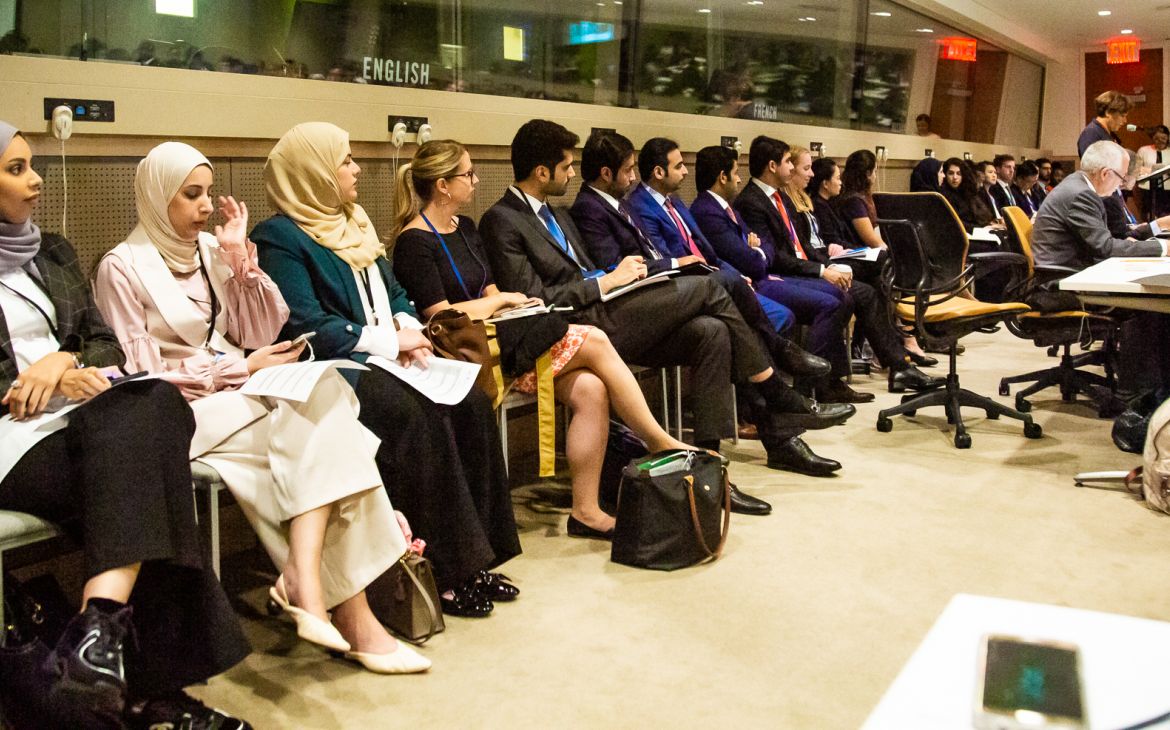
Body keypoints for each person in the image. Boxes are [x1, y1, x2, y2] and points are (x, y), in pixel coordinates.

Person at [93, 142, 429, 674]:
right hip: (183, 409)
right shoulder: (122, 266)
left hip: (240, 393)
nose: (205, 207)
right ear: (157, 198)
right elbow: (145, 380)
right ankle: (349, 612)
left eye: (208, 194)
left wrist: (238, 266)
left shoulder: (208, 250)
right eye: (191, 195)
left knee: (324, 395)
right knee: (330, 430)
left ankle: (306, 578)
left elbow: (258, 332)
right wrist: (241, 371)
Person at [0, 122, 252, 728]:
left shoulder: (52, 249)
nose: (35, 179)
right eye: (14, 169)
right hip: (11, 435)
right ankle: (146, 687)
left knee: (156, 404)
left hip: (82, 419)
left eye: (32, 164)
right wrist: (35, 379)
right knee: (151, 477)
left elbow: (102, 342)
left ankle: (97, 647)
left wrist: (64, 361)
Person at [480, 119, 852, 483]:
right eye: (566, 166)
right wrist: (606, 282)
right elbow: (534, 301)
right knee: (713, 285)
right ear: (542, 172)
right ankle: (775, 388)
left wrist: (623, 277)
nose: (573, 173)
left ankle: (711, 465)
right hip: (578, 326)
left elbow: (587, 270)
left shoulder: (557, 214)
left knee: (711, 331)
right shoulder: (502, 220)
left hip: (612, 306)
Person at [251, 122, 521, 617]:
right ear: (314, 172)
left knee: (471, 400)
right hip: (333, 368)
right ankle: (441, 570)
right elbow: (305, 323)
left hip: (386, 355)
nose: (356, 169)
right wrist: (388, 340)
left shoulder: (352, 220)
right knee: (414, 417)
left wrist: (407, 329)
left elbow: (394, 290)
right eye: (346, 160)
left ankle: (480, 555)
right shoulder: (279, 237)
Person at [391, 139, 696, 537]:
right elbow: (441, 317)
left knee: (590, 388)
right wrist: (501, 301)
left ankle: (585, 511)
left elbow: (488, 289)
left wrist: (508, 302)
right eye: (468, 174)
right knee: (595, 339)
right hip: (465, 353)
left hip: (504, 331)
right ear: (443, 185)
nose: (476, 180)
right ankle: (659, 441)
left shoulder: (464, 227)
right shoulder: (414, 242)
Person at [729, 136, 877, 404]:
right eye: (788, 162)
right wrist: (821, 271)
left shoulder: (780, 198)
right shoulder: (752, 202)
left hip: (796, 267)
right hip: (775, 275)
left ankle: (829, 382)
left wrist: (824, 267)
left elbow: (799, 245)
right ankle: (806, 387)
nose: (793, 168)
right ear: (772, 166)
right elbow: (774, 258)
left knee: (846, 295)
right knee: (834, 300)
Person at [782, 146, 942, 393]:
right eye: (804, 168)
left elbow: (815, 242)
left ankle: (899, 355)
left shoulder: (803, 200)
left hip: (824, 260)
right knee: (874, 279)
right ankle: (901, 351)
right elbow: (799, 248)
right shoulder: (789, 202)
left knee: (878, 280)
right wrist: (825, 264)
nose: (809, 174)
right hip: (809, 269)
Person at [1031, 140, 1170, 396]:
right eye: (1120, 177)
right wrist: (1163, 249)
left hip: (1068, 275)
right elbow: (1105, 247)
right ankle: (1138, 393)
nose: (1121, 184)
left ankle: (1148, 387)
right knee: (1147, 305)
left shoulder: (1077, 186)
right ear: (1106, 173)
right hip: (1060, 286)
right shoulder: (1081, 194)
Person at [833, 149, 886, 249]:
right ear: (867, 173)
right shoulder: (854, 202)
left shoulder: (851, 195)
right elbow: (872, 241)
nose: (875, 176)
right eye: (874, 171)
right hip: (862, 250)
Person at [940, 157, 998, 232]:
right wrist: (982, 228)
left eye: (959, 174)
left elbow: (980, 216)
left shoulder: (967, 192)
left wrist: (989, 225)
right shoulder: (943, 195)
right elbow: (954, 223)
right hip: (963, 234)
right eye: (951, 173)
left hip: (977, 230)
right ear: (945, 175)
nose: (955, 177)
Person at [1077, 90, 1129, 157]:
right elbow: (1092, 164)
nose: (1125, 121)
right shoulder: (1091, 134)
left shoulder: (1109, 134)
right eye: (1122, 116)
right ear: (1108, 112)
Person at [1136, 124, 1169, 219]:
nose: (1160, 141)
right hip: (1147, 188)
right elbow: (1136, 169)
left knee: (1165, 215)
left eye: (1163, 138)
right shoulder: (1143, 150)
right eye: (1157, 138)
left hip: (1167, 189)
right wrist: (1147, 170)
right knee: (1148, 213)